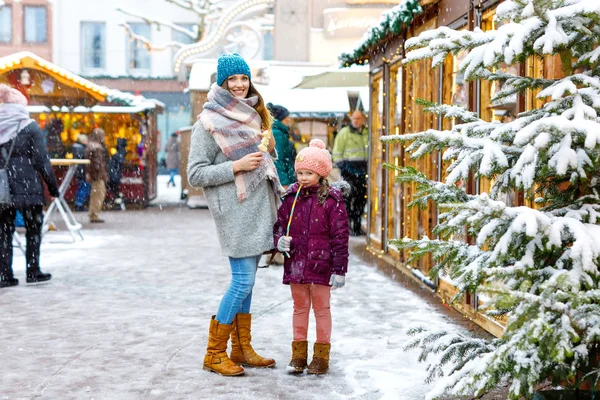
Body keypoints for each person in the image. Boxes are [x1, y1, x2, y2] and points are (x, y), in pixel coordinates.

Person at [187, 53, 282, 377]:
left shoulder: (252, 115)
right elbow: (195, 174)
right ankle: (214, 353)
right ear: (222, 83)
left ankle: (241, 348)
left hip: (257, 209)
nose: (239, 85)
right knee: (242, 282)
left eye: (243, 78)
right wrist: (236, 166)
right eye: (233, 80)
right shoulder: (209, 122)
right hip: (234, 211)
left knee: (249, 284)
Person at [273, 139, 350, 375]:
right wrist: (279, 240)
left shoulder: (331, 201)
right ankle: (298, 355)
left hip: (322, 265)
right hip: (296, 263)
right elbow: (279, 224)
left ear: (321, 173)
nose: (303, 177)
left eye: (309, 172)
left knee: (321, 309)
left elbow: (340, 236)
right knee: (299, 308)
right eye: (300, 173)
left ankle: (321, 355)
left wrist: (339, 269)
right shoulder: (290, 199)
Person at [0, 84, 60, 288]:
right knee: (33, 229)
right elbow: (42, 160)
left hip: (2, 188)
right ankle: (33, 270)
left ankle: (4, 274)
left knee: (4, 231)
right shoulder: (31, 127)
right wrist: (53, 188)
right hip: (29, 186)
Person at [332, 110, 368, 236]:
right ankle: (345, 227)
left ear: (363, 119)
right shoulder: (344, 133)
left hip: (363, 172)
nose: (356, 121)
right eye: (354, 118)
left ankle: (357, 226)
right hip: (349, 172)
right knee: (347, 199)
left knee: (360, 201)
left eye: (359, 118)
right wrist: (343, 167)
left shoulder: (366, 133)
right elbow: (336, 152)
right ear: (351, 119)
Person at [86, 128, 108, 223]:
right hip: (97, 176)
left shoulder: (90, 145)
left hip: (93, 175)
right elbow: (98, 164)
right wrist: (102, 174)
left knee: (95, 194)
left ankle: (92, 213)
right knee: (99, 194)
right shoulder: (97, 147)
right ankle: (94, 214)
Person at [72, 134, 90, 211]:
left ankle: (78, 203)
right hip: (83, 171)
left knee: (81, 187)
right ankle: (79, 204)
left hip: (80, 171)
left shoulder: (77, 148)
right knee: (84, 187)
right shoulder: (82, 149)